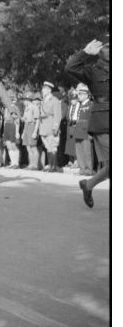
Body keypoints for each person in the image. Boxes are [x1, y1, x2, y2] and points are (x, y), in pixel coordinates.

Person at [66, 36, 110, 208]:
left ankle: (88, 184)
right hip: (103, 121)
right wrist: (84, 53)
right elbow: (70, 68)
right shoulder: (92, 71)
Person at [36, 81, 62, 173]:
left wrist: (56, 127)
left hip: (51, 126)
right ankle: (50, 165)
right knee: (48, 147)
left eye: (44, 89)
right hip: (44, 126)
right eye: (43, 89)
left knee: (53, 146)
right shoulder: (43, 101)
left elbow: (57, 115)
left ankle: (53, 166)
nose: (42, 91)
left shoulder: (54, 100)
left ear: (49, 90)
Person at [70, 83, 94, 176]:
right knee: (79, 151)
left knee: (87, 151)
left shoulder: (91, 105)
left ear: (86, 95)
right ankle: (82, 168)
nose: (78, 96)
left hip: (86, 130)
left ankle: (88, 169)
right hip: (78, 129)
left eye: (80, 94)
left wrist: (91, 133)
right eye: (78, 94)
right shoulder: (79, 105)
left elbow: (93, 120)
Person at [21, 92, 39, 169]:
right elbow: (25, 121)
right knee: (28, 147)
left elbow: (37, 120)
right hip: (27, 126)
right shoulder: (26, 108)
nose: (23, 101)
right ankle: (31, 164)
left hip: (32, 126)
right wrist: (23, 132)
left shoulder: (34, 107)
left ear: (28, 99)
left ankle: (35, 165)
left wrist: (35, 131)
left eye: (24, 100)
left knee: (33, 147)